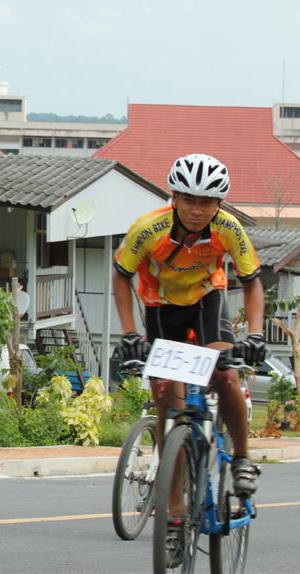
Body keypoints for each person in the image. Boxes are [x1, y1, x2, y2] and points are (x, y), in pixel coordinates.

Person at [112, 154, 267, 564]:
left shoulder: (229, 229)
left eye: (207, 202)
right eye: (189, 200)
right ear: (174, 198)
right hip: (161, 310)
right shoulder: (149, 228)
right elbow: (121, 276)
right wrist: (129, 333)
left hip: (206, 304)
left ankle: (242, 460)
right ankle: (175, 518)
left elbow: (252, 283)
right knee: (170, 410)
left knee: (226, 375)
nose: (198, 210)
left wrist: (254, 334)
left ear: (219, 204)